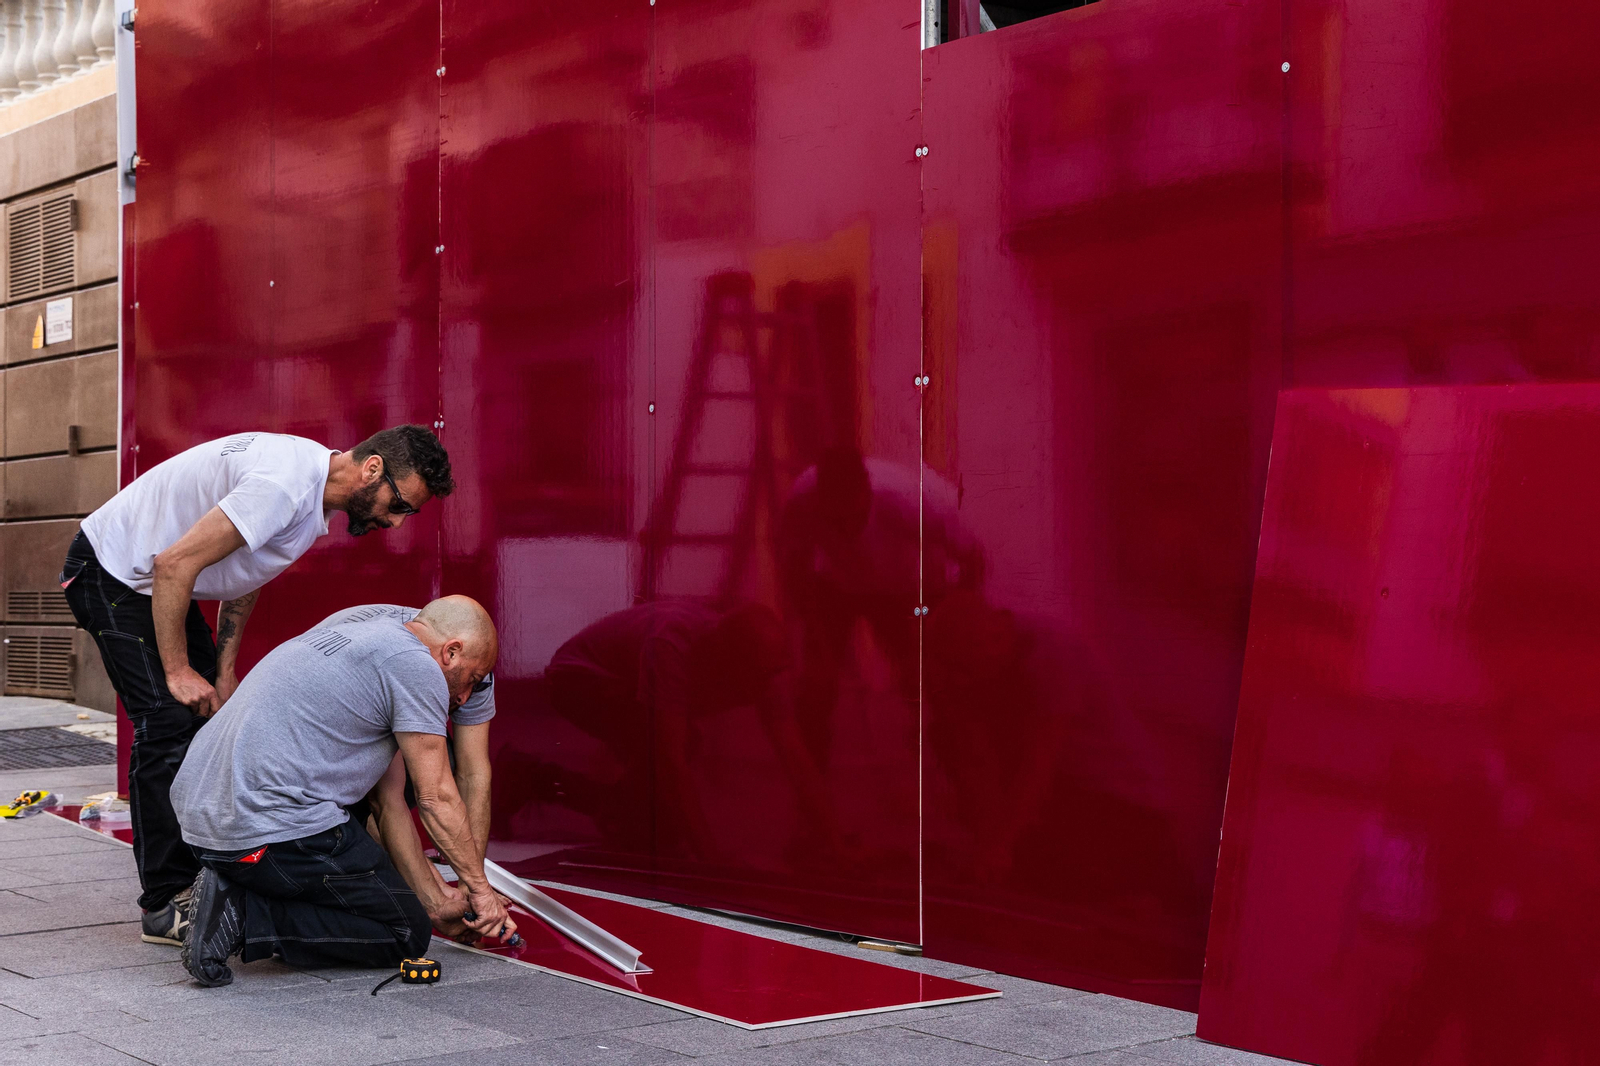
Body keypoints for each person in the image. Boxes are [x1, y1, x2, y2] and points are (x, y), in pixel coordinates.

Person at [58, 426, 454, 949]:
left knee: (207, 716)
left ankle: (208, 875)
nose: (396, 521)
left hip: (152, 580)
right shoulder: (284, 485)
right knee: (168, 721)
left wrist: (224, 669)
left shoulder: (310, 497)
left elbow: (244, 573)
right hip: (112, 571)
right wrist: (177, 671)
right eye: (399, 504)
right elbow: (173, 564)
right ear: (372, 469)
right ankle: (165, 902)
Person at [170, 596, 514, 987]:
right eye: (472, 680)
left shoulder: (367, 630)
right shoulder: (416, 666)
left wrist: (441, 897)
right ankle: (244, 912)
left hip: (202, 824)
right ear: (451, 652)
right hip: (264, 829)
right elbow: (436, 797)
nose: (466, 699)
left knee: (390, 896)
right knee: (403, 931)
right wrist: (481, 893)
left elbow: (389, 801)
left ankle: (240, 883)